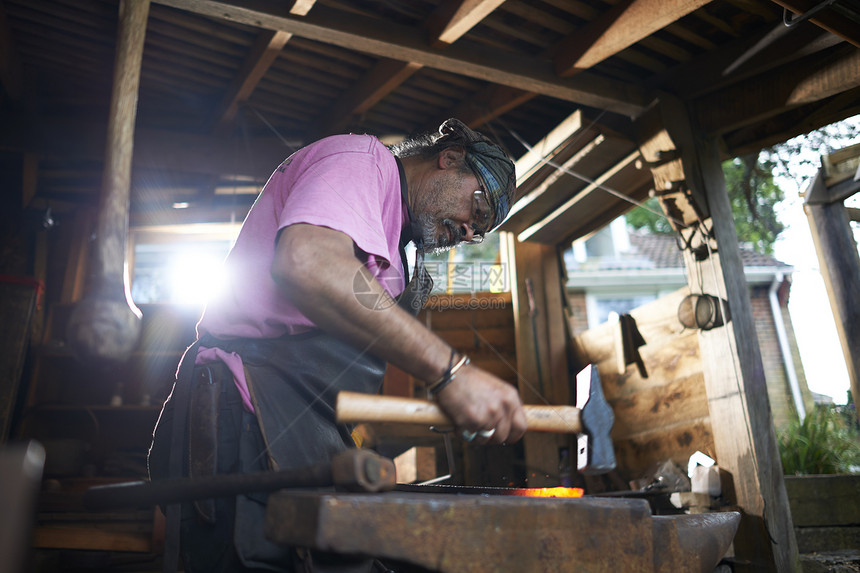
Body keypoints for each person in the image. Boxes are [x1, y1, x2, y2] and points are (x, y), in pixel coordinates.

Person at [148, 118, 528, 572]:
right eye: (478, 210)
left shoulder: (402, 253)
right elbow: (307, 260)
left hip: (305, 427)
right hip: (245, 408)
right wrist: (450, 372)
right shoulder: (362, 162)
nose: (469, 233)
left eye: (481, 231)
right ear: (450, 159)